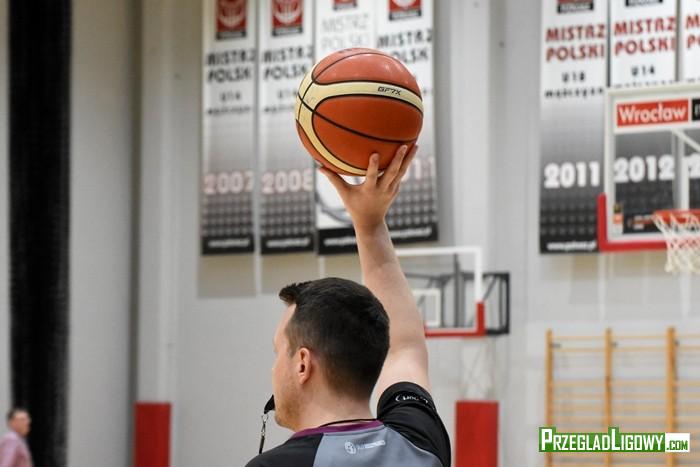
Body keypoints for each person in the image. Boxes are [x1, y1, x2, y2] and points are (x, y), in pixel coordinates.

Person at [246, 145, 450, 467]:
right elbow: (404, 349)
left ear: (303, 364)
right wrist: (370, 223)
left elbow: (403, 350)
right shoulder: (419, 442)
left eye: (278, 352)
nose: (273, 370)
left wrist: (368, 222)